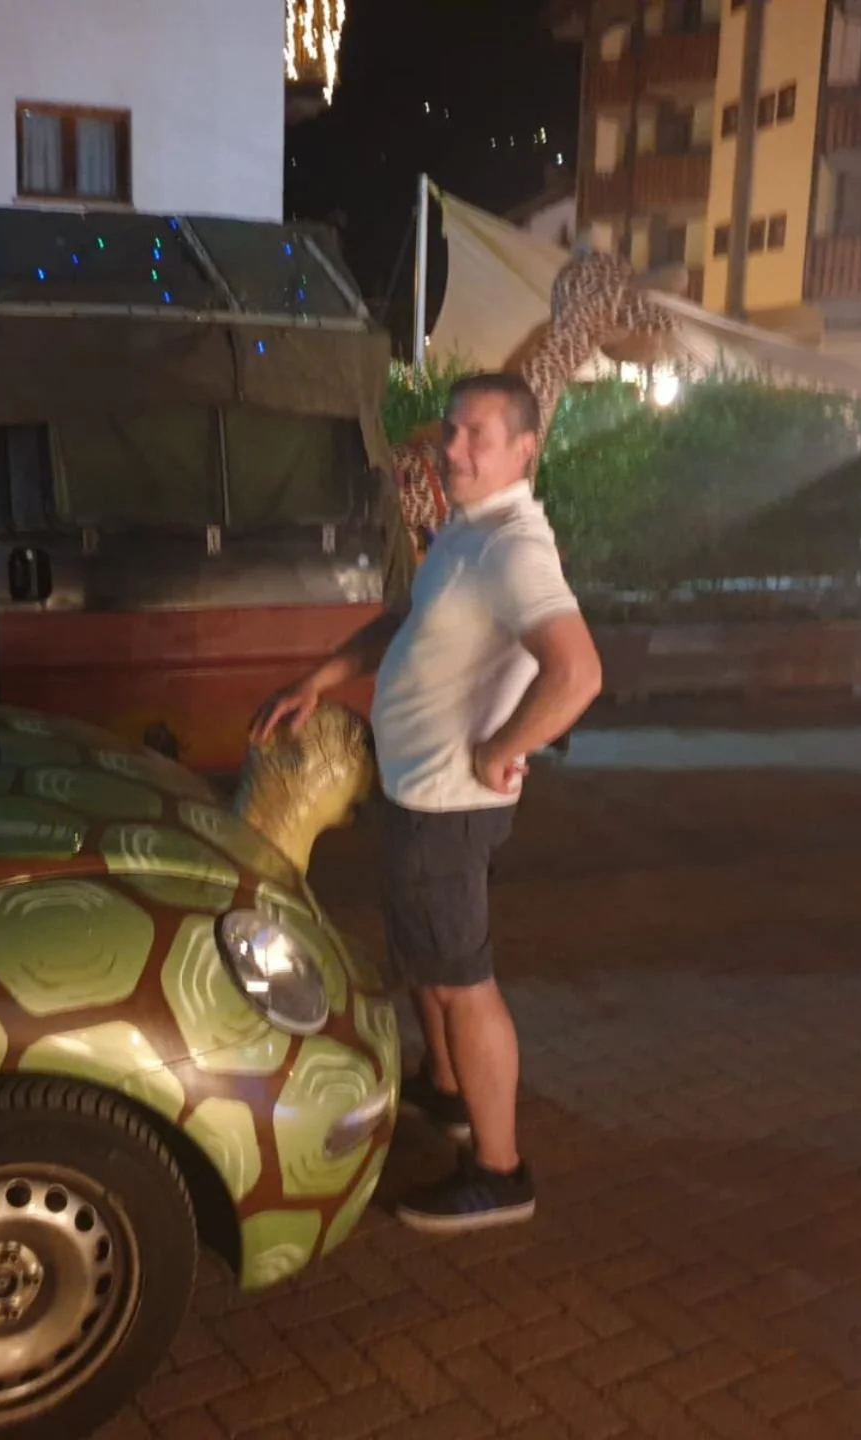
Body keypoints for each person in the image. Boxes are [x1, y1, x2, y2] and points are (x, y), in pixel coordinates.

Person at [251, 371, 603, 1232]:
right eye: (451, 431)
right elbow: (403, 622)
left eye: (479, 435)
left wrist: (502, 748)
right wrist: (317, 680)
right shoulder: (465, 535)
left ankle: (499, 1169)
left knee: (463, 980)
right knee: (431, 969)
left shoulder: (515, 548)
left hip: (450, 805)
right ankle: (445, 1090)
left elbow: (579, 672)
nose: (454, 449)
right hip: (416, 797)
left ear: (526, 450)